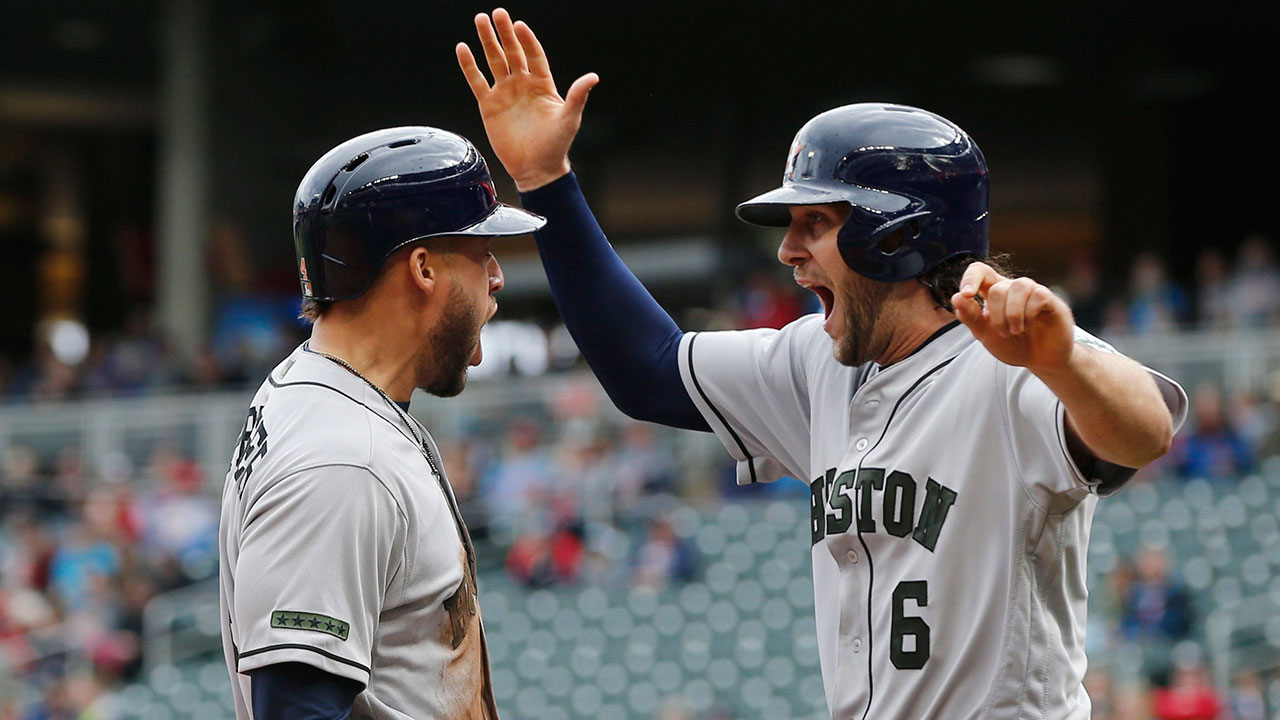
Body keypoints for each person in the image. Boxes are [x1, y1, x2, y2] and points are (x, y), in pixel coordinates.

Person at [456, 9, 1189, 719]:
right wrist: (547, 180)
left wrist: (1063, 364)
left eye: (816, 223)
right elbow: (647, 369)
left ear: (894, 235)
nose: (787, 250)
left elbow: (1144, 433)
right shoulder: (817, 362)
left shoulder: (1014, 359)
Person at [218, 126, 544, 719]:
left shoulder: (320, 390)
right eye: (481, 253)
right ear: (423, 268)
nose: (496, 277)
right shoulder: (342, 459)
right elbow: (297, 709)